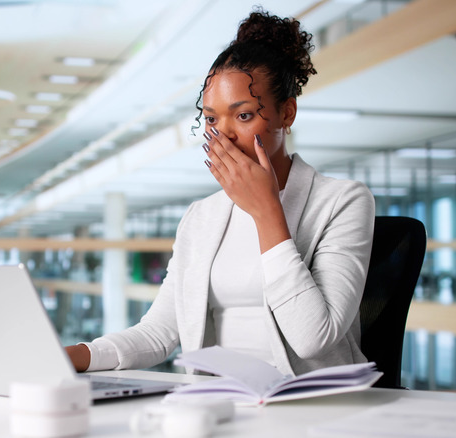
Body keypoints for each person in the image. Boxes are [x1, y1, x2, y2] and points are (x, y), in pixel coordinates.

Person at [65, 8, 374, 377]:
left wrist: (266, 212)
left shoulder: (343, 201)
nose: (222, 134)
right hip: (221, 401)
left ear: (287, 113)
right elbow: (159, 333)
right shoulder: (201, 217)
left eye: (243, 116)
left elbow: (313, 339)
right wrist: (69, 356)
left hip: (310, 407)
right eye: (212, 119)